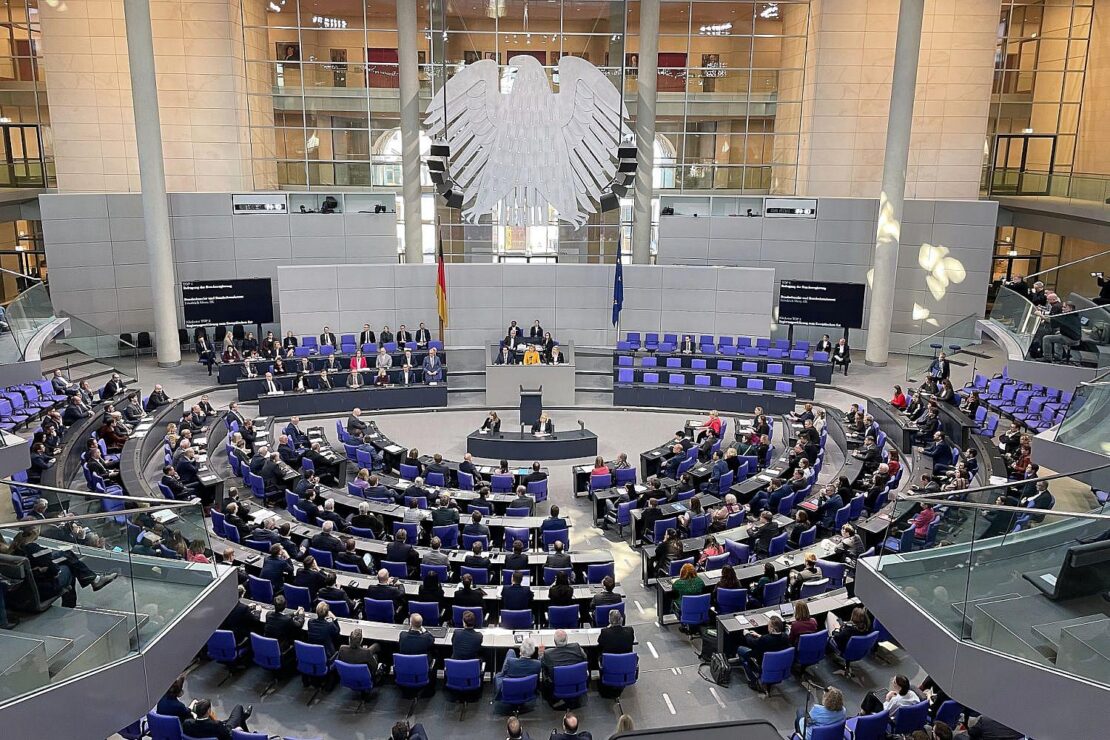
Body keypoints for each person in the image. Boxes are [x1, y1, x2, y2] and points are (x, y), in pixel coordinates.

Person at [736, 614, 790, 689]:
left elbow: (751, 642)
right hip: (778, 663)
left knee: (740, 650)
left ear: (772, 629)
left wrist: (747, 634)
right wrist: (759, 635)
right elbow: (771, 639)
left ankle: (753, 681)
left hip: (761, 662)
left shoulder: (765, 639)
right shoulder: (785, 637)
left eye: (768, 626)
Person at [540, 629, 587, 695]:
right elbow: (585, 658)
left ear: (554, 641)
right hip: (576, 681)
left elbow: (541, 664)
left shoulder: (548, 653)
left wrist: (541, 654)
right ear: (567, 639)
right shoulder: (576, 647)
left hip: (557, 684)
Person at [181, 698, 254, 740]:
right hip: (226, 730)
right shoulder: (216, 725)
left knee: (233, 719)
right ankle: (243, 716)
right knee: (239, 708)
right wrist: (236, 731)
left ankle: (243, 717)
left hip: (218, 729)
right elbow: (228, 738)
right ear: (208, 711)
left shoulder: (187, 723)